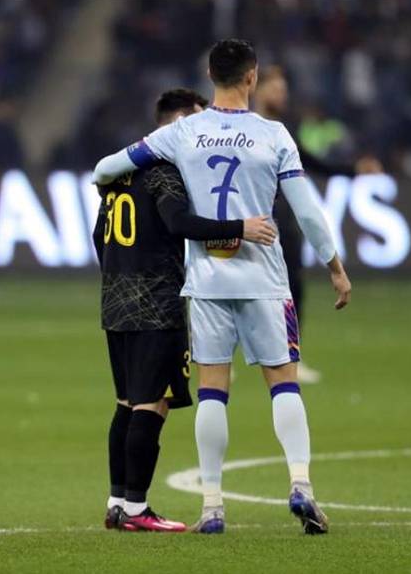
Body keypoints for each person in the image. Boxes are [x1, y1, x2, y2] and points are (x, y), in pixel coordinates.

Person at [93, 39, 352, 535]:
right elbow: (307, 212)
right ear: (252, 77)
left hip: (207, 282)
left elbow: (107, 168)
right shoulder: (273, 135)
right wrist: (334, 266)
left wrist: (110, 186)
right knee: (284, 382)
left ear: (210, 76)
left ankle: (212, 506)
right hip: (265, 279)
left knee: (213, 391)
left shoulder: (183, 132)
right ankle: (301, 486)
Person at [93, 87, 275, 533]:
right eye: (196, 122)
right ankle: (137, 508)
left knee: (125, 403)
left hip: (115, 302)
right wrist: (240, 228)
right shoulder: (165, 172)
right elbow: (177, 222)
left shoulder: (119, 174)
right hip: (158, 305)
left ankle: (117, 501)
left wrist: (122, 274)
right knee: (150, 405)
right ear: (178, 125)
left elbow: (100, 236)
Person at [255, 66, 381, 383]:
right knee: (243, 286)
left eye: (284, 90)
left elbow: (311, 162)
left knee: (291, 285)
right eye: (276, 89)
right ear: (257, 89)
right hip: (251, 217)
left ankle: (289, 355)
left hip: (279, 215)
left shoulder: (283, 128)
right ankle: (228, 359)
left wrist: (353, 169)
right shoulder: (248, 126)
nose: (281, 95)